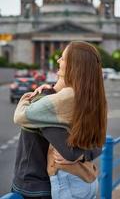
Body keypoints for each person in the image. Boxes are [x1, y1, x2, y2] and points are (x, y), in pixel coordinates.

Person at [13, 41, 107, 199]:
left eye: (62, 58)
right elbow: (98, 145)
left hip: (36, 185)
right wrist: (82, 155)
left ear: (73, 66)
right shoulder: (90, 98)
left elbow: (19, 116)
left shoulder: (51, 102)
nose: (58, 61)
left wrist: (28, 97)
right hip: (85, 180)